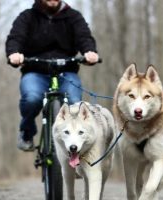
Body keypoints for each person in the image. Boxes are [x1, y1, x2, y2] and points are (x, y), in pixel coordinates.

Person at [6, 0, 99, 151]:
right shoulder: (27, 17)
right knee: (32, 98)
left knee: (74, 103)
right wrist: (14, 53)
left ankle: (76, 147)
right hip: (35, 71)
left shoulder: (73, 17)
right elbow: (15, 38)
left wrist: (89, 51)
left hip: (66, 72)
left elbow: (84, 37)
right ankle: (27, 133)